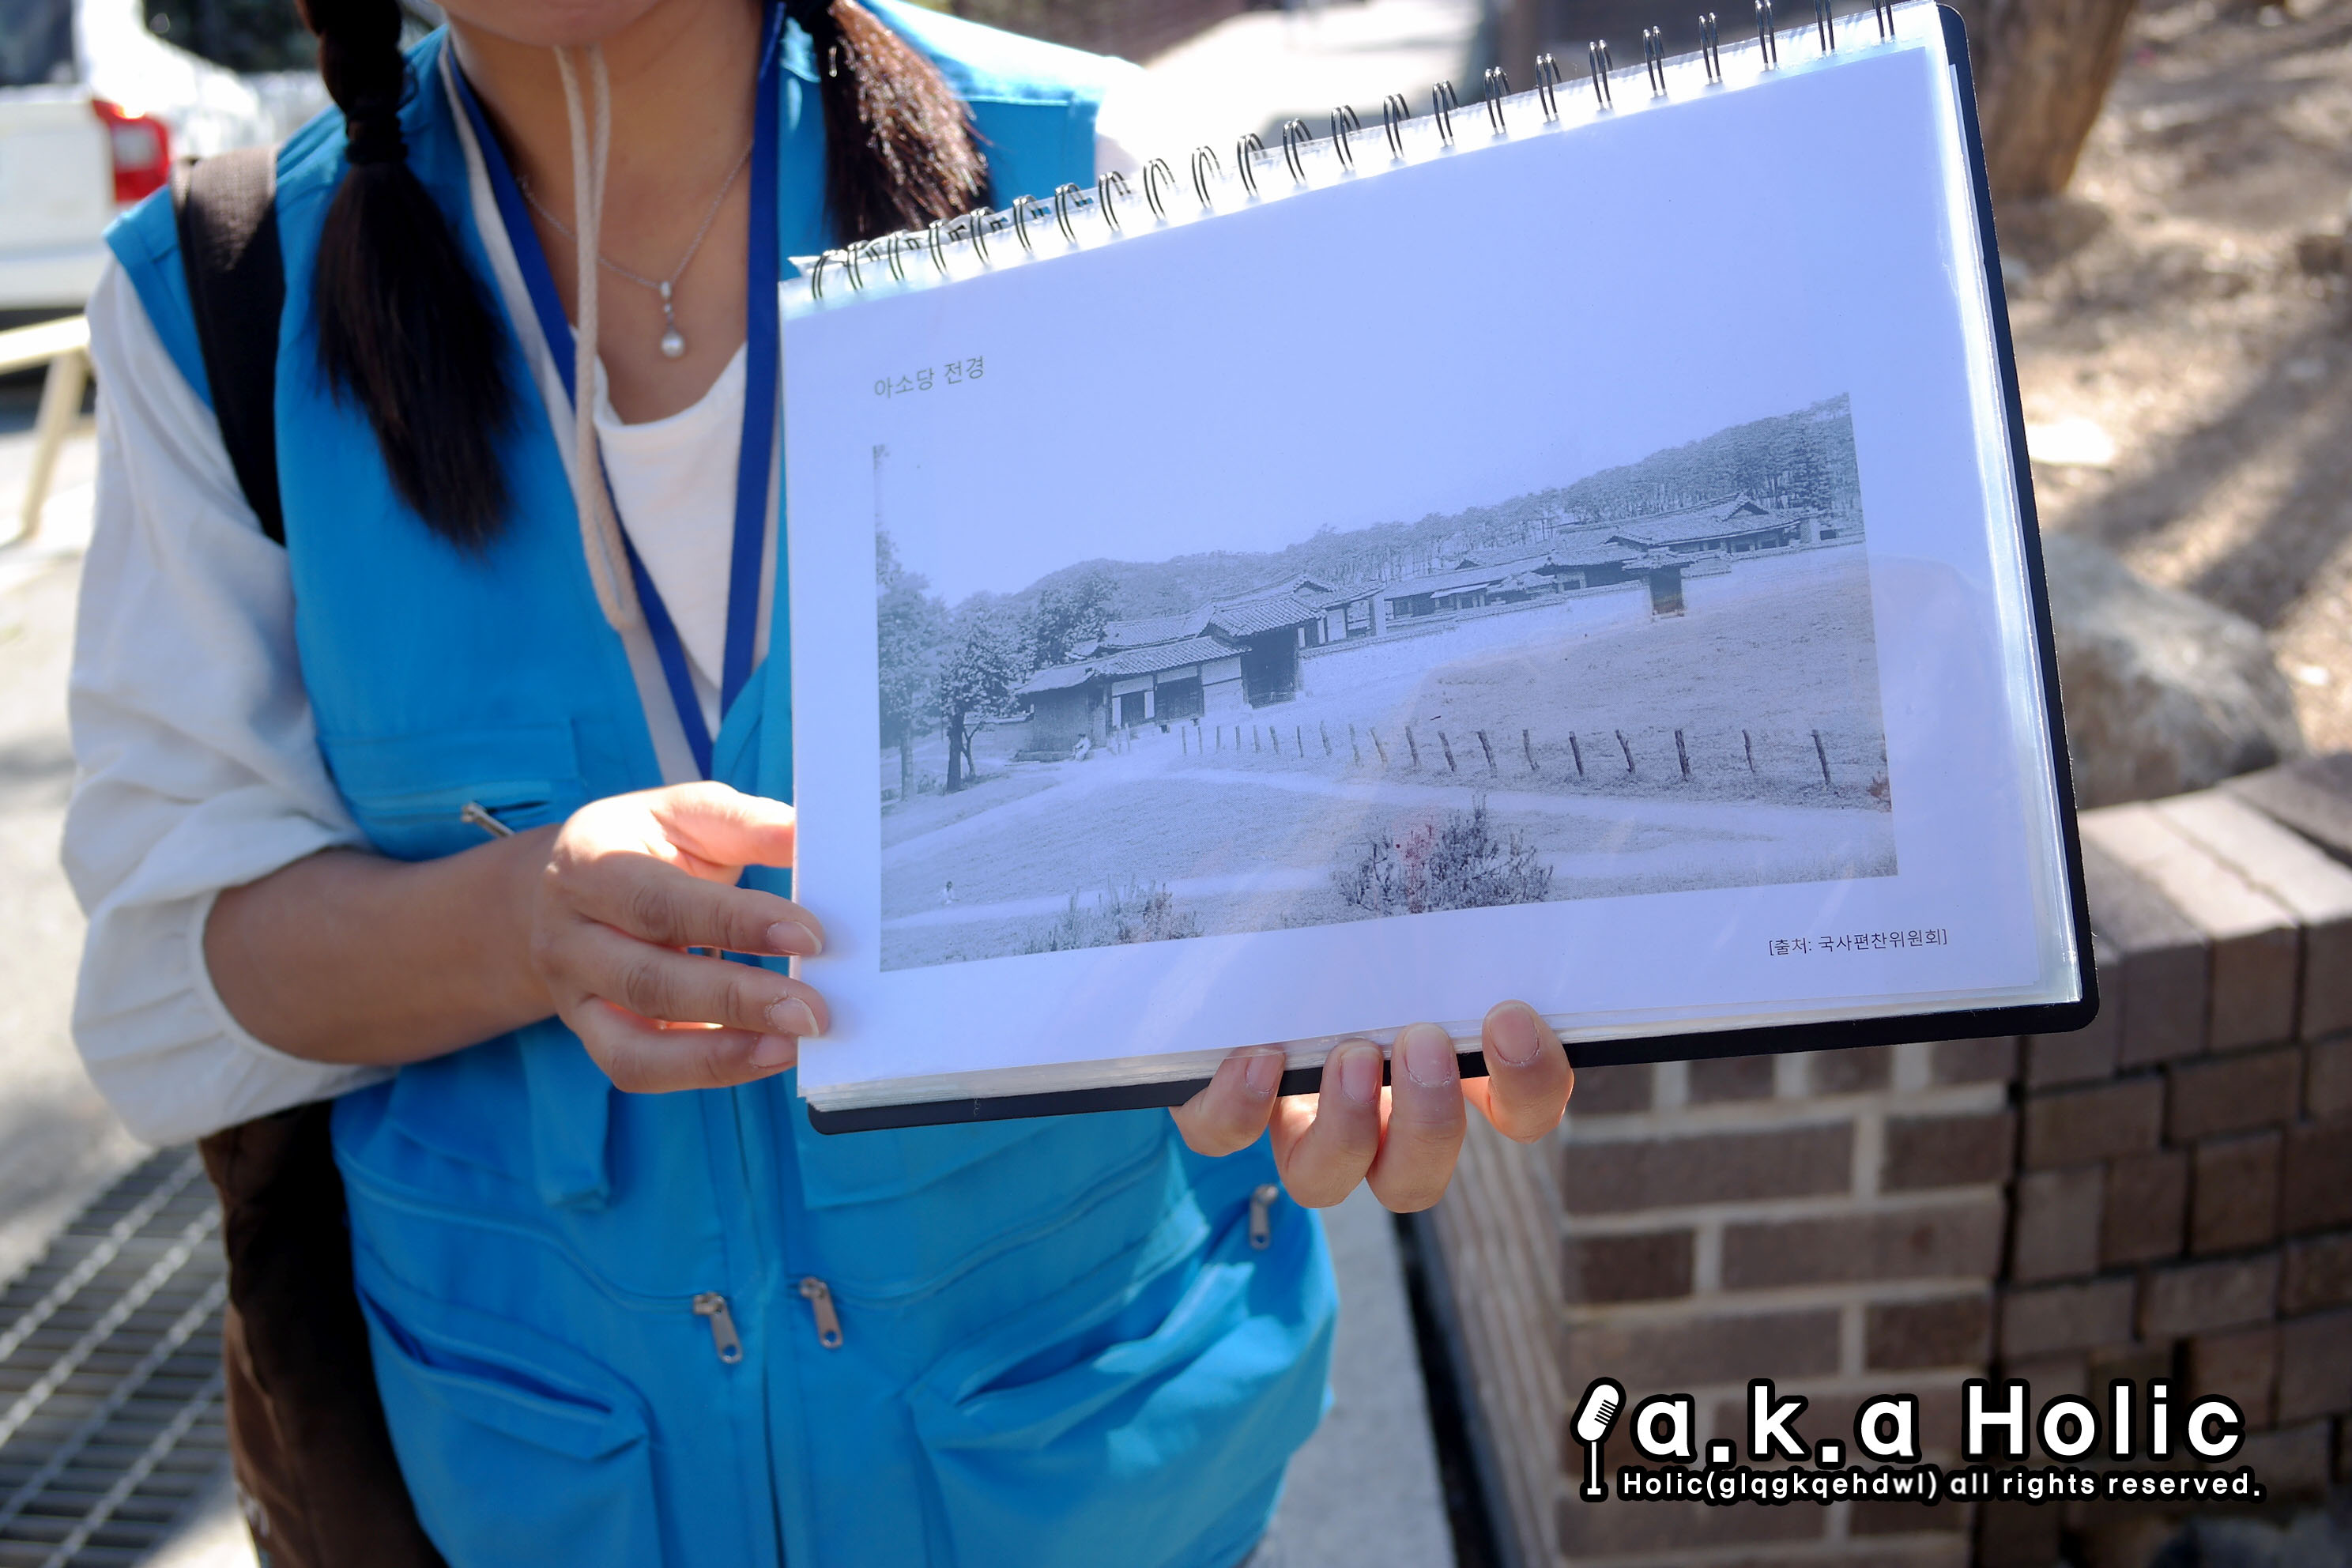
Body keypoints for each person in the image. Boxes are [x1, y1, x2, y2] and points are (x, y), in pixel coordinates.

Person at [64, 0, 1576, 1562]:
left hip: (1087, 1478)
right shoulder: (221, 301)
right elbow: (180, 974)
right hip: (550, 1492)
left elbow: (1335, 760)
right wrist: (520, 927)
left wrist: (1355, 1000)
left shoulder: (1108, 176)